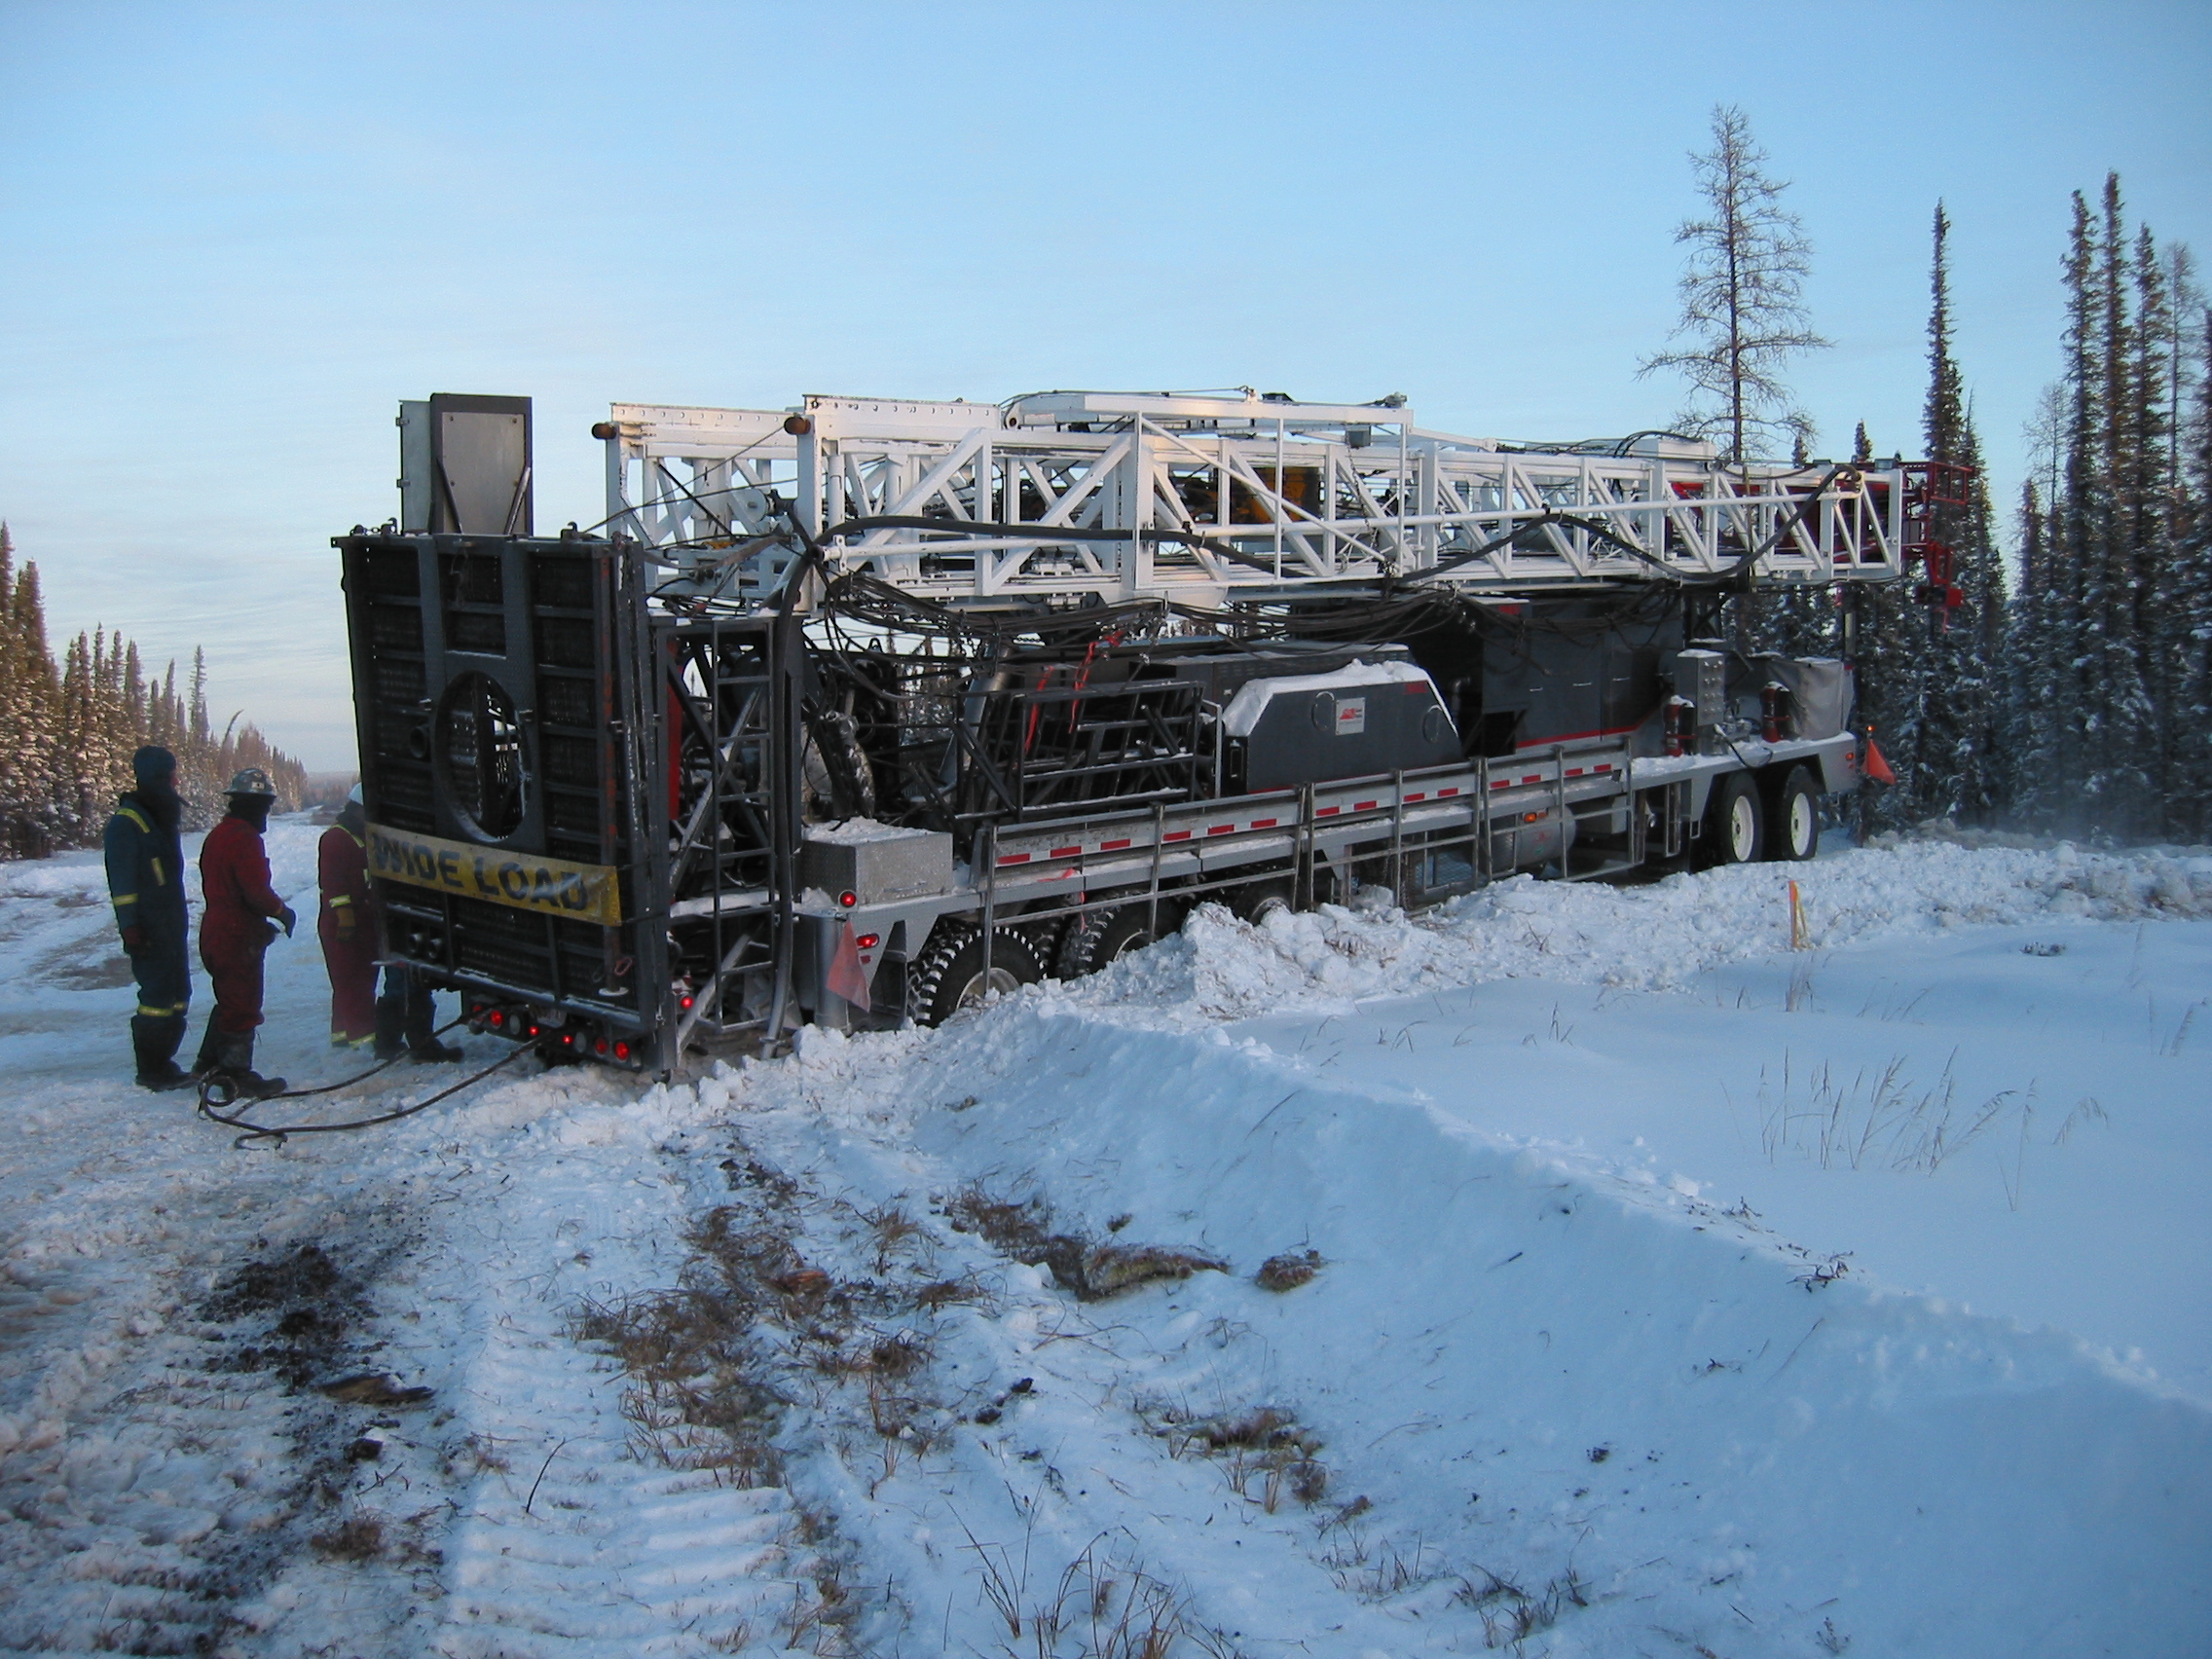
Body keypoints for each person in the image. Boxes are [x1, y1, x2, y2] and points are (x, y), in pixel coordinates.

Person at [192, 767, 297, 1097]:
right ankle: (236, 1073)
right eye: (265, 805)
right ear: (254, 805)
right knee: (242, 1002)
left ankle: (209, 1062)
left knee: (228, 997)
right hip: (235, 934)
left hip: (217, 928)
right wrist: (281, 912)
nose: (266, 813)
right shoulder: (244, 839)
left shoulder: (218, 835)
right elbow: (256, 892)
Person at [103, 746, 195, 1090]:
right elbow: (122, 882)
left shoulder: (159, 815)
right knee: (157, 995)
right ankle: (152, 1068)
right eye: (172, 773)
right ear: (160, 776)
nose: (177, 780)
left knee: (178, 993)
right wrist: (130, 926)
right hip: (149, 926)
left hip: (170, 922)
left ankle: (165, 1063)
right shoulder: (128, 823)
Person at [317, 785, 378, 1049]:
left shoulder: (362, 837)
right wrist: (345, 916)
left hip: (362, 919)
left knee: (353, 978)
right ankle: (362, 1038)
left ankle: (341, 1033)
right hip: (343, 922)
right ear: (357, 809)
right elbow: (333, 882)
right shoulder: (336, 839)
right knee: (352, 980)